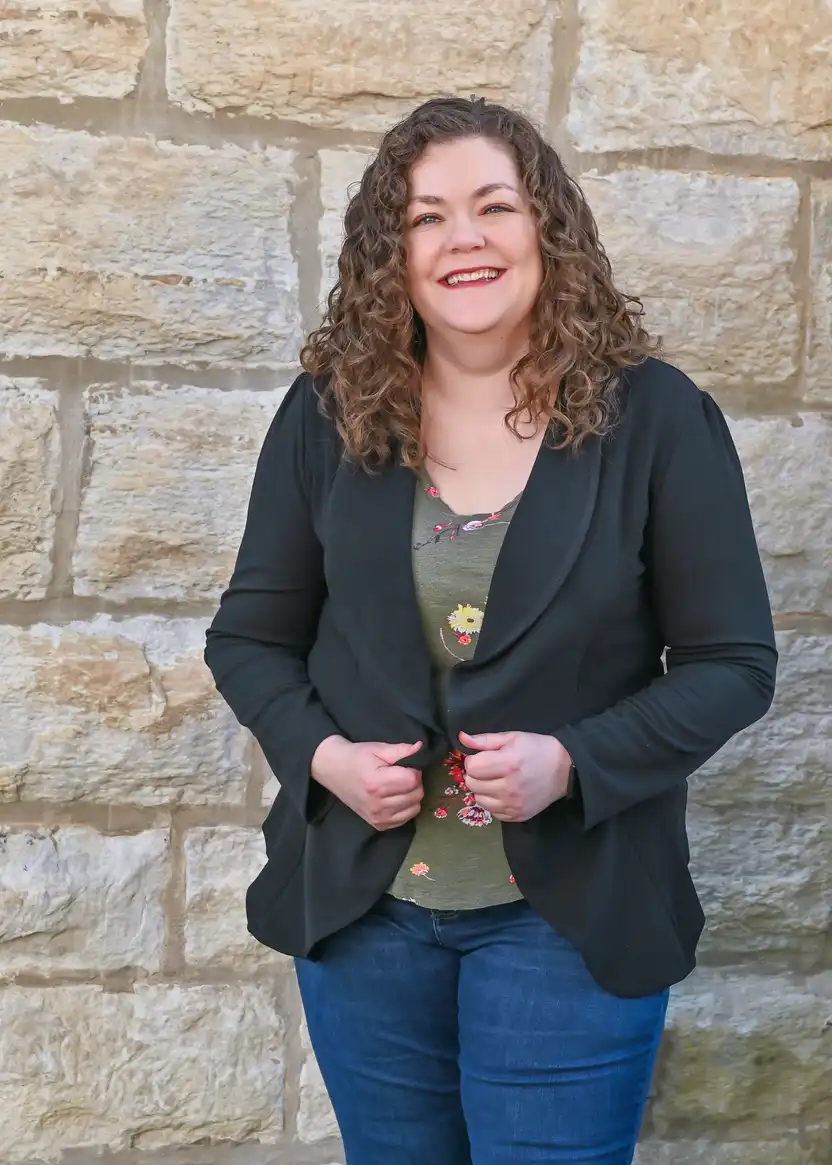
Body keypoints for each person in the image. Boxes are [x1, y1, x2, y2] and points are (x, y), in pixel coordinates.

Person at [204, 96, 777, 1164]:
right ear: (393, 255)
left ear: (546, 228)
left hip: (570, 917)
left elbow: (732, 664)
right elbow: (249, 637)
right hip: (364, 915)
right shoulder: (328, 412)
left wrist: (574, 761)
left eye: (493, 206)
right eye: (426, 217)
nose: (462, 237)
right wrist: (323, 757)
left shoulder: (656, 417)